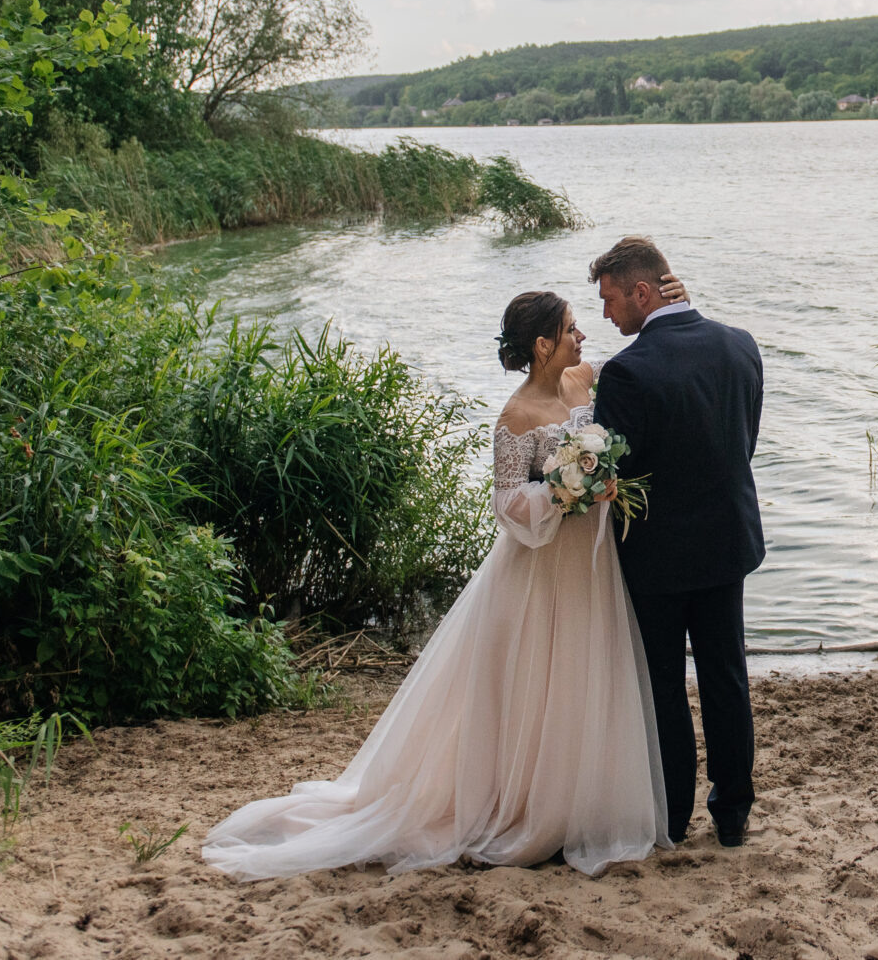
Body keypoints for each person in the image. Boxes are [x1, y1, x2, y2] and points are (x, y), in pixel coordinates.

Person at [200, 276, 688, 879]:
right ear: (542, 346)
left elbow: (653, 355)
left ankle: (575, 804)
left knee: (587, 672)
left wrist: (675, 303)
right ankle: (528, 807)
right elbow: (508, 504)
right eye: (569, 328)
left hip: (591, 563)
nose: (582, 333)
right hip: (541, 568)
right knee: (536, 682)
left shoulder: (583, 380)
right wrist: (568, 493)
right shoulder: (515, 418)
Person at [590, 236, 765, 847]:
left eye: (611, 300)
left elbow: (613, 476)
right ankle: (734, 813)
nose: (606, 315)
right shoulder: (740, 344)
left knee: (664, 683)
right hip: (727, 543)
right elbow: (742, 442)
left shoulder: (628, 371)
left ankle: (672, 815)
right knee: (726, 674)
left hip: (656, 558)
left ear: (643, 292)